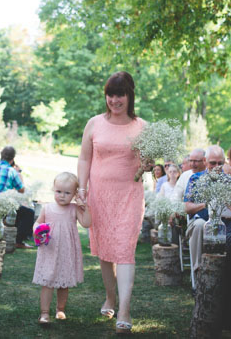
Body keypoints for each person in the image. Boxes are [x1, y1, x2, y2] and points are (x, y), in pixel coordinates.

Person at [77, 71, 147, 334]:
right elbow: (85, 159)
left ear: (130, 96)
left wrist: (149, 165)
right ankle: (110, 297)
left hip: (129, 196)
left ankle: (125, 309)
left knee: (125, 250)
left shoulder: (142, 126)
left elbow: (146, 164)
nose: (115, 100)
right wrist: (81, 188)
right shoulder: (94, 123)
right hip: (99, 195)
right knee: (105, 250)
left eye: (120, 95)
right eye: (110, 94)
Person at [33, 172, 91, 324]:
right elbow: (38, 223)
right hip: (50, 250)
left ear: (75, 194)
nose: (62, 196)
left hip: (67, 251)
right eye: (59, 191)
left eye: (67, 193)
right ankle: (44, 313)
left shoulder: (74, 209)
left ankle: (60, 309)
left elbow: (86, 223)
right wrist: (37, 230)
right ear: (54, 189)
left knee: (63, 281)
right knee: (48, 281)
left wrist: (85, 207)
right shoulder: (48, 208)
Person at [182, 145, 230, 273]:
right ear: (205, 161)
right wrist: (206, 204)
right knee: (199, 225)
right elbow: (186, 207)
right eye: (212, 163)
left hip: (225, 222)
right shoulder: (195, 179)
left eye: (220, 163)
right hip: (200, 220)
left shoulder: (230, 180)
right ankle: (198, 272)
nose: (216, 166)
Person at [0, 146, 35, 249]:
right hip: (2, 205)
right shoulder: (11, 171)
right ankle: (18, 241)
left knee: (19, 209)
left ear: (1, 155)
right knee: (29, 213)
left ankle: (7, 234)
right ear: (12, 159)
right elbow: (21, 190)